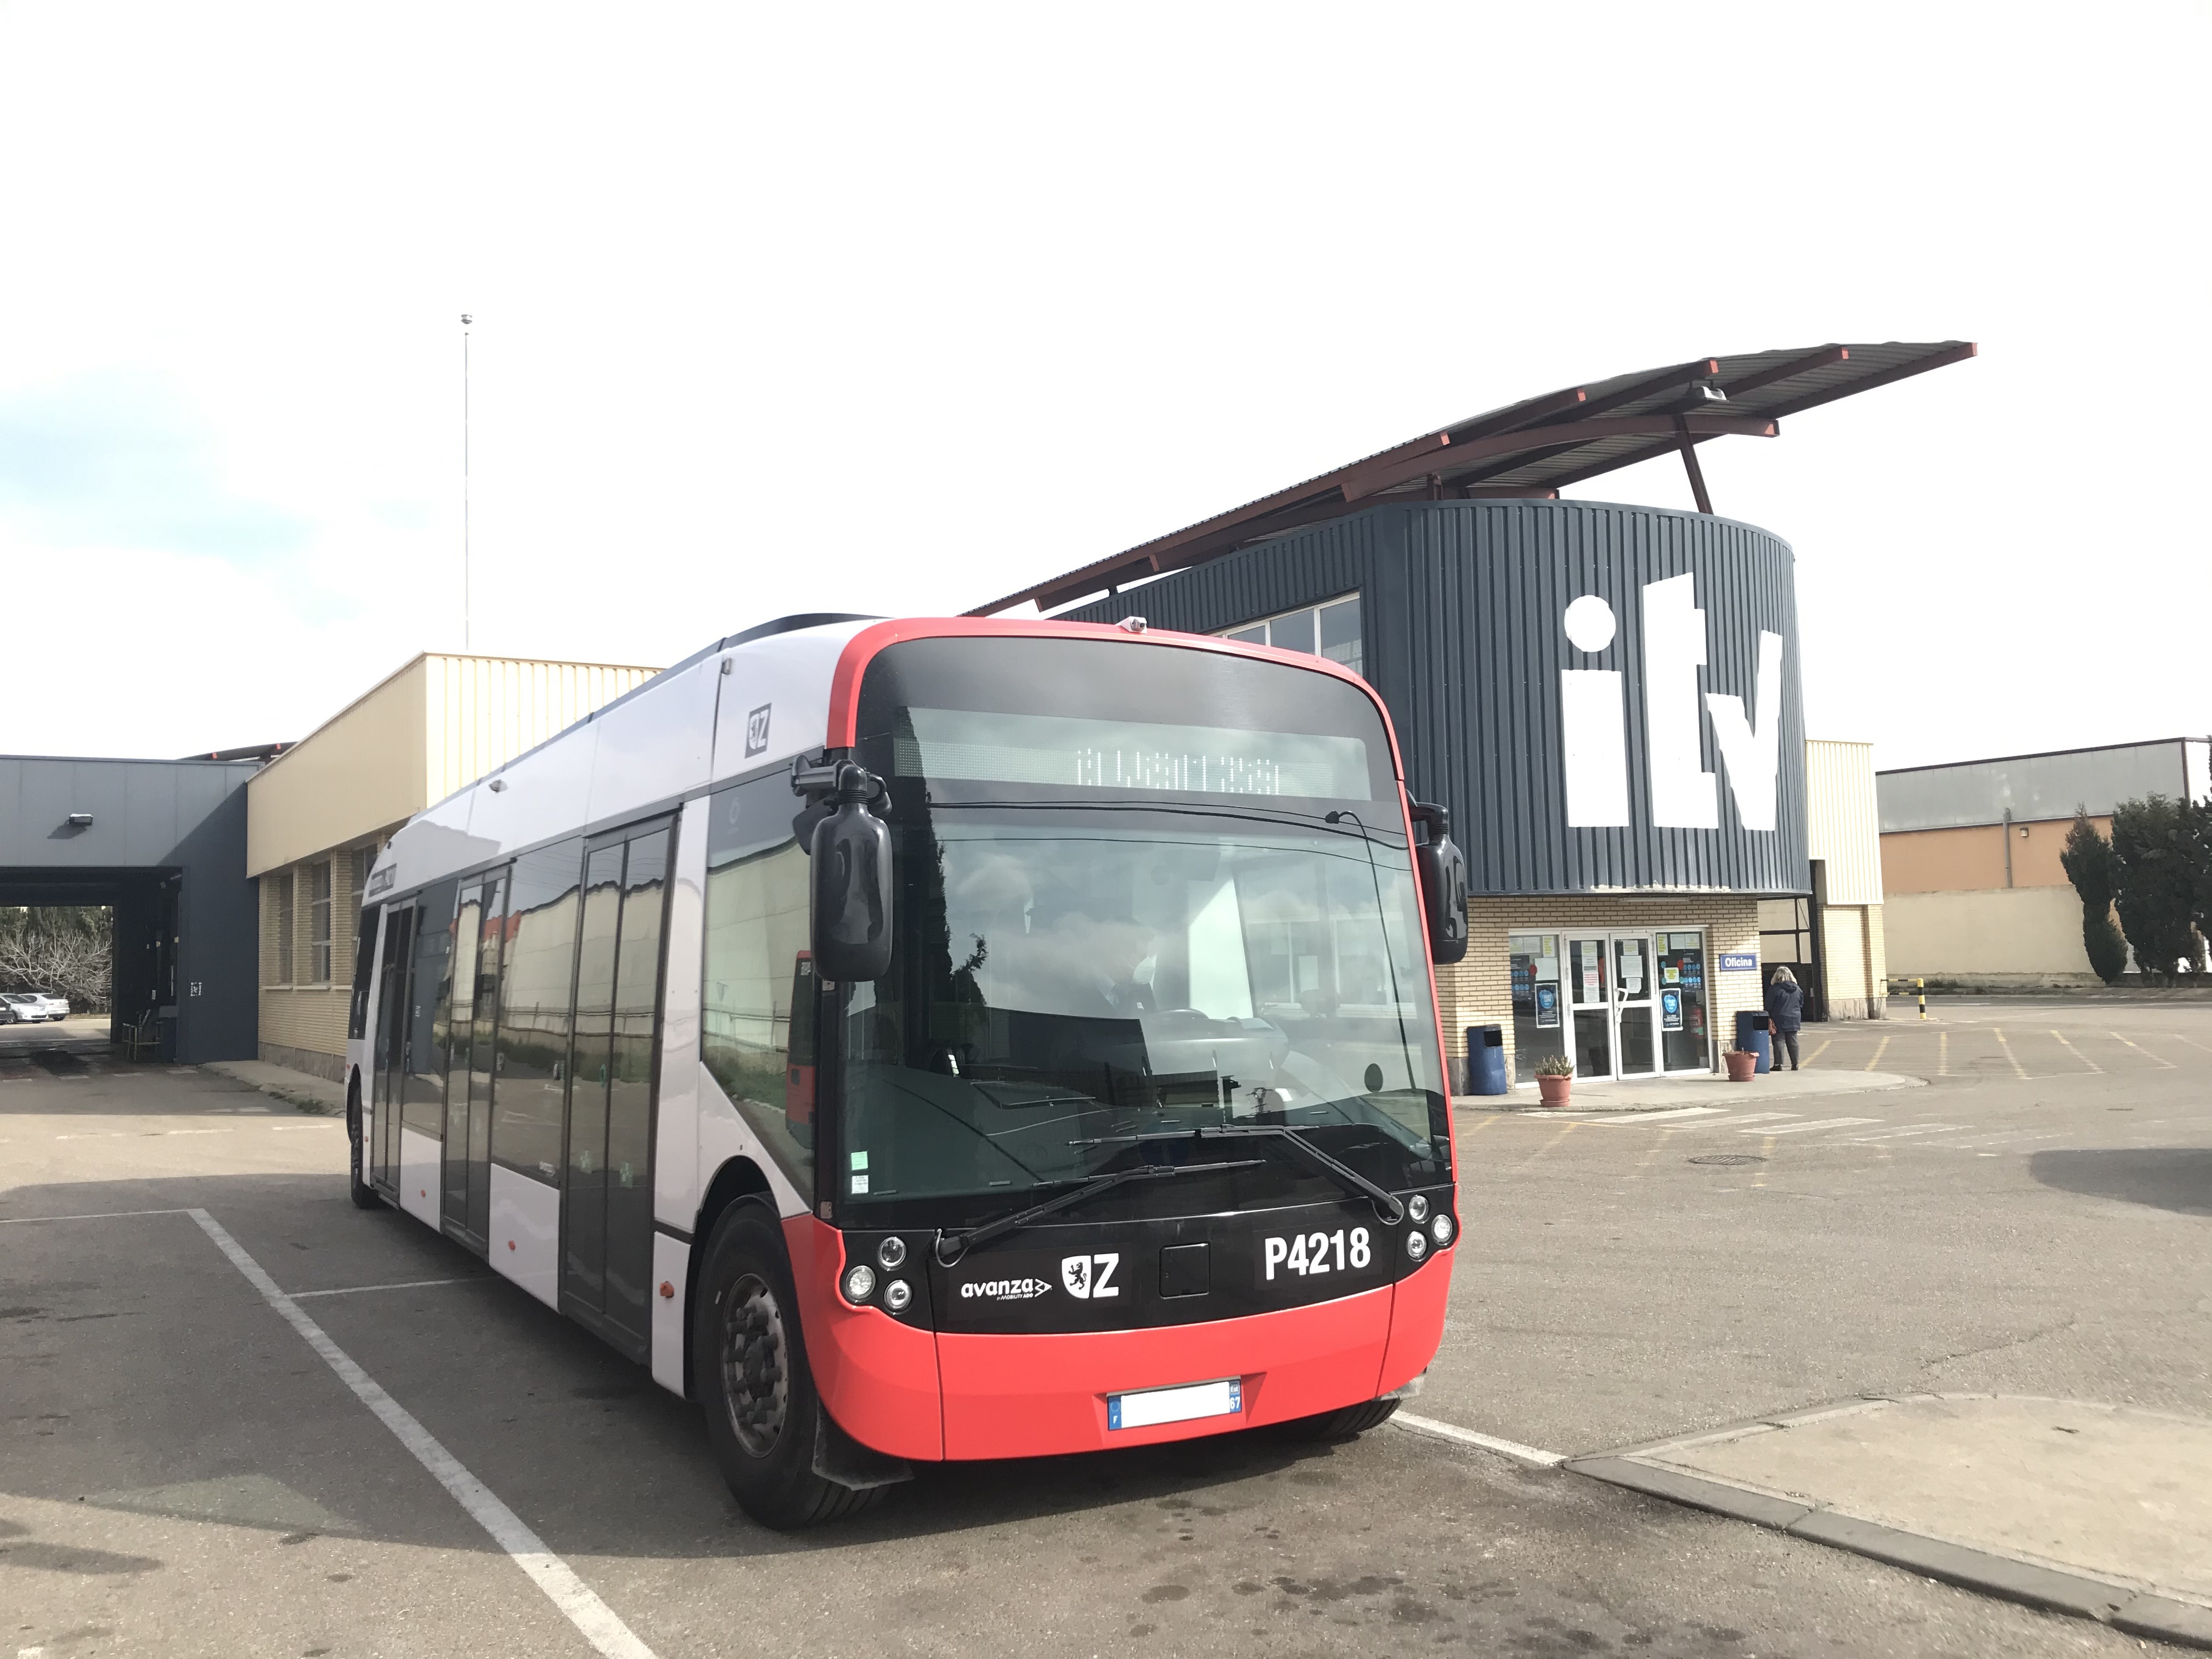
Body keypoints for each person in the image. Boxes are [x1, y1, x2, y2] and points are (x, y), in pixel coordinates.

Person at [1765, 966, 1805, 1070]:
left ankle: (1779, 1064)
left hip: (1779, 1017)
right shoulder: (1797, 989)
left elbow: (1769, 1005)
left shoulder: (1775, 989)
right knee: (1793, 1040)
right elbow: (1801, 1003)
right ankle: (1795, 1064)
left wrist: (1768, 1016)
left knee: (1779, 1040)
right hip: (1795, 1017)